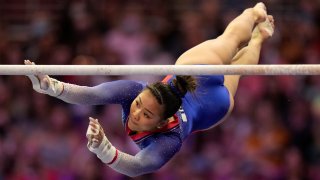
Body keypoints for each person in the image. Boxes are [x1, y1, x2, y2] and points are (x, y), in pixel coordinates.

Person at [25, 2, 275, 177]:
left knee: (230, 40)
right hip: (213, 108)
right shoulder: (162, 129)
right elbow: (92, 94)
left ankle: (253, 13)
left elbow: (135, 166)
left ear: (160, 122)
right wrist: (51, 86)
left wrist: (104, 149)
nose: (136, 113)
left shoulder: (168, 136)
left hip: (197, 70)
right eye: (138, 105)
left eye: (145, 114)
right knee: (239, 66)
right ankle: (258, 37)